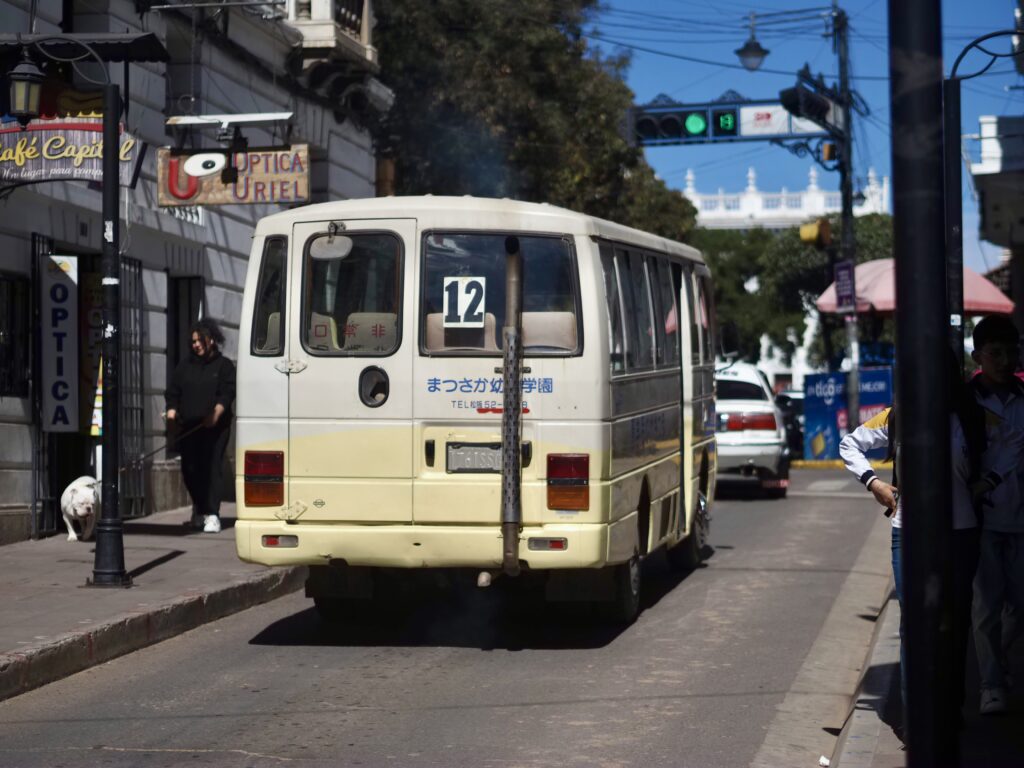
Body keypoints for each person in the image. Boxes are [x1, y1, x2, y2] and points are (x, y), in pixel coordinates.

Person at [839, 353, 998, 732]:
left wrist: (989, 481)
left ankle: (950, 708)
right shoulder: (898, 417)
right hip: (907, 532)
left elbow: (1011, 443)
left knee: (955, 625)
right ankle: (917, 721)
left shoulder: (973, 417)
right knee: (915, 626)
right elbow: (850, 445)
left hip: (961, 533)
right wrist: (874, 484)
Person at [968, 315, 1024, 715]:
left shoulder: (1023, 399)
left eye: (1011, 352)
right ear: (978, 356)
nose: (1004, 360)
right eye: (996, 353)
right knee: (986, 606)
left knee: (1019, 605)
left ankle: (1000, 664)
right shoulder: (965, 401)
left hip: (1021, 517)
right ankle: (990, 683)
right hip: (983, 519)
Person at [166, 319, 236, 533]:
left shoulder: (224, 366)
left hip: (215, 427)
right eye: (193, 341)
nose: (196, 345)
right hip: (189, 426)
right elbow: (173, 391)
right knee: (190, 469)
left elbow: (227, 393)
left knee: (211, 467)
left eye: (200, 340)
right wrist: (171, 410)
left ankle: (212, 514)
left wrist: (216, 413)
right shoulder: (185, 366)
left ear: (212, 340)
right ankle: (199, 507)